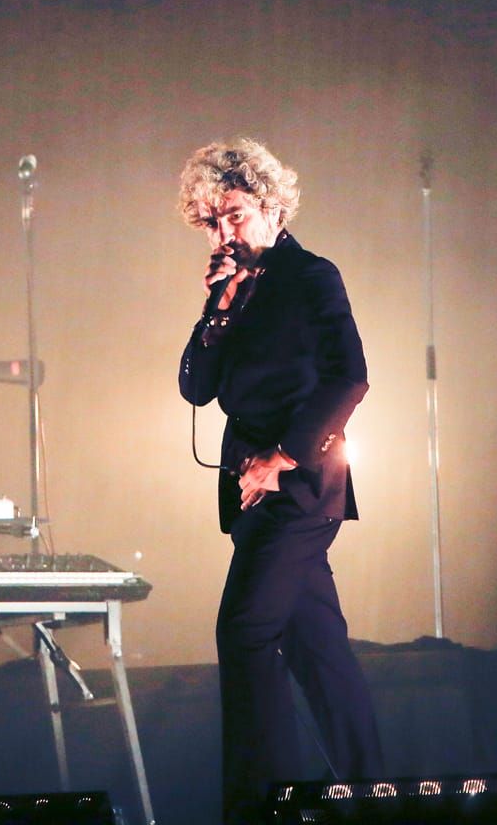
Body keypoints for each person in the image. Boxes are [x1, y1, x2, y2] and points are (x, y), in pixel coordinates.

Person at [175, 138, 384, 825]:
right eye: (211, 221)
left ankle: (262, 805)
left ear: (270, 207)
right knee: (315, 646)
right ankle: (372, 791)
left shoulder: (311, 276)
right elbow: (196, 390)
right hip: (252, 491)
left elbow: (349, 375)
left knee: (243, 631)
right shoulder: (237, 290)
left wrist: (284, 457)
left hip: (300, 485)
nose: (223, 233)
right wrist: (219, 311)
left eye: (233, 215)